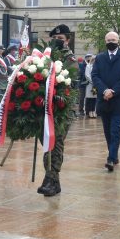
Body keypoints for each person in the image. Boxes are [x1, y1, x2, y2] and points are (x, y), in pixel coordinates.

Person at [37, 24, 77, 197]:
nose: (57, 42)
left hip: (62, 110)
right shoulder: (46, 58)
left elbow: (72, 83)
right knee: (47, 143)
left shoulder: (71, 60)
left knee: (56, 143)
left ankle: (51, 179)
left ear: (67, 41)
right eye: (54, 39)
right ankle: (53, 181)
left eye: (61, 39)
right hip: (45, 108)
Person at [90, 31, 120, 172]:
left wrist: (113, 91)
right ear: (105, 41)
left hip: (118, 100)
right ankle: (114, 155)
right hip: (103, 99)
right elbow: (95, 75)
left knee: (115, 130)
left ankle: (110, 158)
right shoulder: (100, 58)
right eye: (108, 40)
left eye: (113, 39)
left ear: (118, 41)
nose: (111, 42)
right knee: (107, 131)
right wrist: (104, 90)